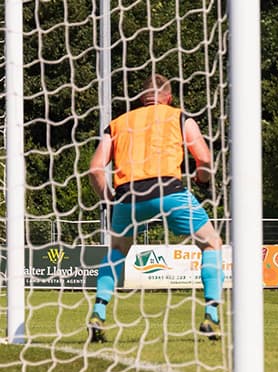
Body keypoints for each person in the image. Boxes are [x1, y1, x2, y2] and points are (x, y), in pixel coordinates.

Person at [87, 74, 224, 342]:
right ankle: (212, 316)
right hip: (169, 192)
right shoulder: (179, 116)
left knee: (116, 251)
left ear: (141, 98)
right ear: (168, 98)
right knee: (211, 243)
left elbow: (94, 169)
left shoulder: (116, 124)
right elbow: (205, 159)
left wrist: (109, 200)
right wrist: (203, 180)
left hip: (128, 196)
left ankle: (98, 312)